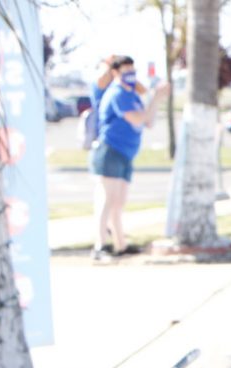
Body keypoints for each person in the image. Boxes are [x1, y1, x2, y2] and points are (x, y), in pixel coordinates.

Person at [89, 55, 167, 260]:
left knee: (118, 202)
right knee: (106, 199)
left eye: (133, 71)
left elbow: (148, 121)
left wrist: (155, 100)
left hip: (126, 154)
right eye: (126, 71)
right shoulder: (116, 94)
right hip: (110, 151)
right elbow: (137, 118)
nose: (131, 75)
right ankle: (100, 247)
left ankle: (120, 245)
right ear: (115, 72)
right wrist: (154, 98)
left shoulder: (131, 95)